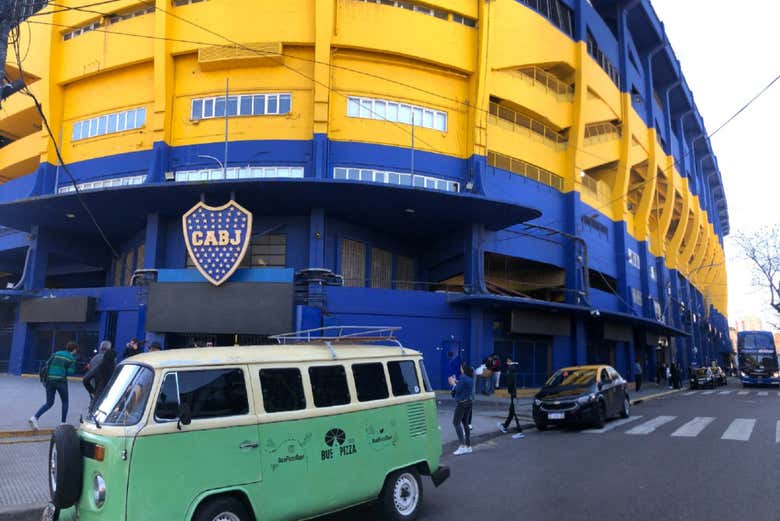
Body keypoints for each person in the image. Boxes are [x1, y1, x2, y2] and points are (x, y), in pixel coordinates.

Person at [29, 341, 79, 430]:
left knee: (49, 403)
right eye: (76, 350)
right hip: (61, 381)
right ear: (74, 350)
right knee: (65, 402)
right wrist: (63, 370)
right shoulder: (71, 358)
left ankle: (35, 417)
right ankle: (63, 422)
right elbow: (70, 372)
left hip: (50, 380)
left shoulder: (56, 353)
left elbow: (47, 363)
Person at [497, 356, 525, 439]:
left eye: (508, 361)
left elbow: (511, 382)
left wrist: (510, 391)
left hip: (514, 392)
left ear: (511, 361)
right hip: (514, 392)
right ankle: (505, 426)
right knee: (512, 411)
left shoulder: (511, 369)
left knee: (514, 412)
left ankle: (519, 431)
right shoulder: (513, 368)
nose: (507, 362)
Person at [449, 362, 474, 456]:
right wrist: (456, 382)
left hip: (462, 404)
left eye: (460, 367)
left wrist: (453, 383)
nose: (460, 369)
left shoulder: (463, 377)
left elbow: (458, 390)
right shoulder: (469, 377)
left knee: (456, 423)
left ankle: (462, 446)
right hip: (469, 403)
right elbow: (463, 386)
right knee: (465, 424)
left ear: (462, 369)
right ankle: (468, 446)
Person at [82, 341, 115, 405]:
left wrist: (91, 390)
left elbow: (89, 371)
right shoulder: (109, 359)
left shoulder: (94, 358)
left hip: (93, 382)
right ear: (109, 348)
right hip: (103, 384)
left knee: (94, 401)